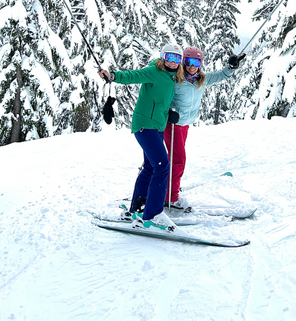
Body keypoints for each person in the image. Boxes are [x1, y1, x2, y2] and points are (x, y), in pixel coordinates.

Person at [98, 43, 185, 232]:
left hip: (157, 126)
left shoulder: (172, 78)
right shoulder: (154, 70)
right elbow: (133, 76)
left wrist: (167, 113)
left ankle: (137, 210)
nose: (172, 62)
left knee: (150, 167)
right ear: (163, 57)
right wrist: (112, 76)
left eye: (176, 59)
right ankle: (152, 215)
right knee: (163, 166)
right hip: (145, 126)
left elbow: (158, 100)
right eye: (169, 57)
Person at [164, 47, 245, 209]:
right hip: (172, 124)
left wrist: (231, 66)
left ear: (200, 63)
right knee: (178, 160)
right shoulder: (175, 80)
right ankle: (170, 197)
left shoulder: (201, 79)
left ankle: (167, 188)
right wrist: (167, 111)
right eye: (188, 62)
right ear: (183, 62)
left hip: (184, 125)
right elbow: (159, 94)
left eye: (196, 62)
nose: (192, 66)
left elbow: (221, 75)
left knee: (174, 159)